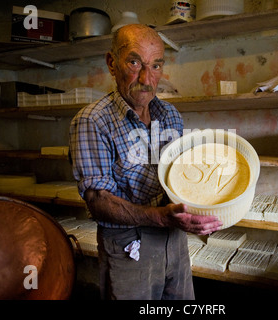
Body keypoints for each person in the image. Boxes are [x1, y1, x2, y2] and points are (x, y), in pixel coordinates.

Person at [69, 24, 223, 300]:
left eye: (155, 66)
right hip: (129, 246)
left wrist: (204, 200)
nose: (146, 78)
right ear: (112, 63)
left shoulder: (171, 115)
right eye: (134, 62)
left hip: (175, 240)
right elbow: (97, 200)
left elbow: (180, 176)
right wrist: (161, 217)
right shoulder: (93, 121)